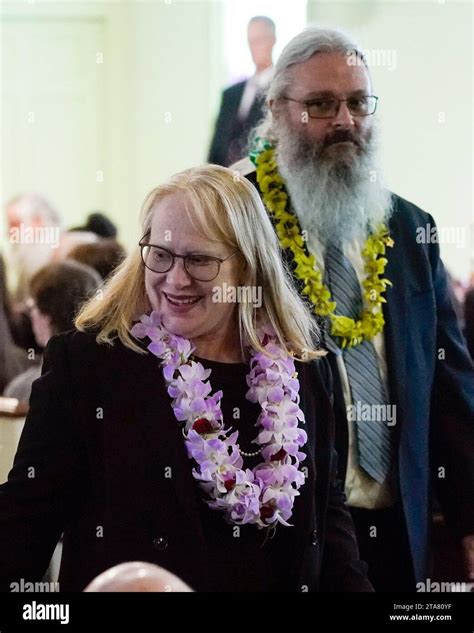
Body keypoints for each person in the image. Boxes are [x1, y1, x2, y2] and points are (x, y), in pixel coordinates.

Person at [0, 165, 372, 592]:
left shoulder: (302, 369)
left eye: (199, 259)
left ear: (248, 268)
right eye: (160, 254)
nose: (175, 279)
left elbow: (329, 525)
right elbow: (26, 520)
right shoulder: (90, 367)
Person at [234, 27, 474, 591]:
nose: (344, 120)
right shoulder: (237, 220)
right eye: (320, 104)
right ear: (275, 110)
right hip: (288, 532)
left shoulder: (410, 228)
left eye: (358, 102)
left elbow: (450, 385)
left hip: (398, 525)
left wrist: (469, 520)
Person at [3, 260, 101, 402]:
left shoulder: (23, 389)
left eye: (33, 306)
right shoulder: (110, 375)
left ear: (48, 316)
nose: (31, 315)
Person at [208, 16, 276, 166]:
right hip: (225, 178)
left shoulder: (281, 90)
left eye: (260, 40)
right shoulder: (231, 94)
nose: (254, 47)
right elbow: (217, 146)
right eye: (251, 41)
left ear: (272, 41)